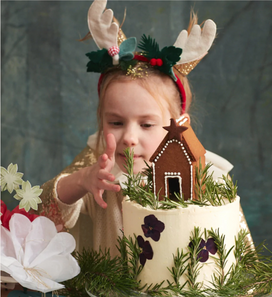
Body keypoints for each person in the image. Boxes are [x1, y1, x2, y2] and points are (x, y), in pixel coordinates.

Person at [38, 0, 253, 257]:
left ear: (179, 126)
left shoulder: (206, 177)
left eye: (147, 124)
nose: (129, 138)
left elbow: (236, 253)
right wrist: (82, 180)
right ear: (101, 119)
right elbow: (45, 211)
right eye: (116, 123)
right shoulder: (99, 168)